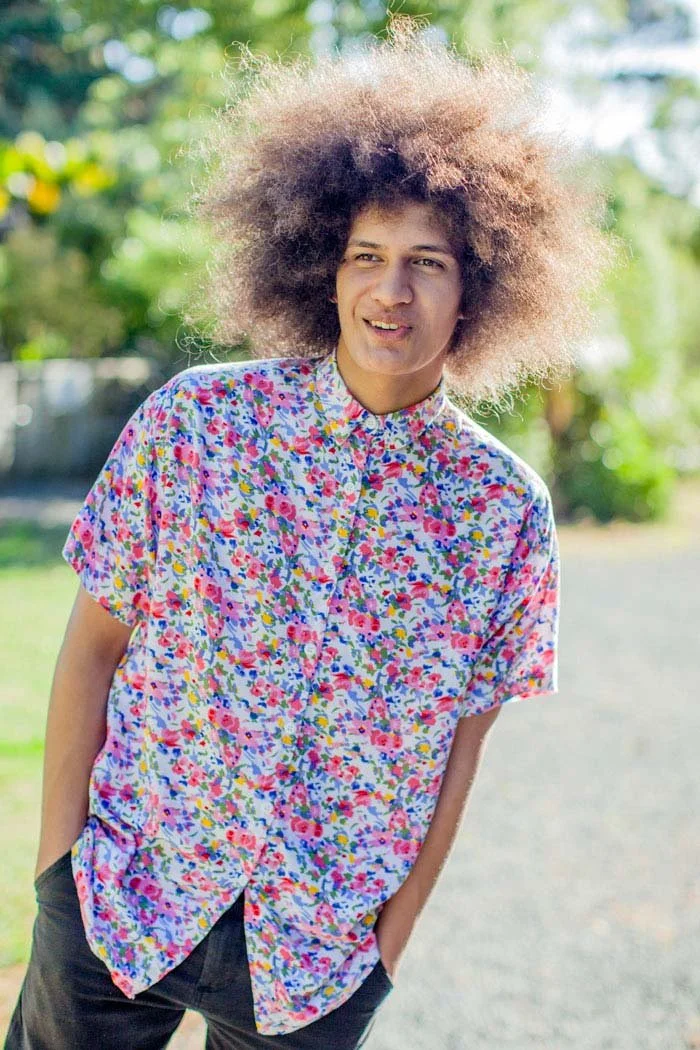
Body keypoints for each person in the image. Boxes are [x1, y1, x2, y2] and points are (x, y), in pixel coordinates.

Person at [5, 25, 609, 1050]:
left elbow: (461, 751)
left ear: (478, 290)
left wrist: (390, 943)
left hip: (318, 953)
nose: (391, 291)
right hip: (120, 897)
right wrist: (57, 868)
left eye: (428, 263)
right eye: (365, 257)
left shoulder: (503, 512)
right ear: (320, 268)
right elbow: (92, 648)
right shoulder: (196, 422)